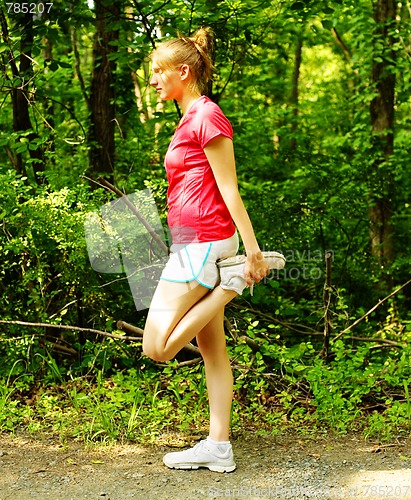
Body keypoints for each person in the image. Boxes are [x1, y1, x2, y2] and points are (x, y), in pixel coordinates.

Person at [143, 27, 285, 473]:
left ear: (183, 72)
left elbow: (229, 189)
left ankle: (233, 282)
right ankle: (219, 447)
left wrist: (253, 250)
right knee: (213, 350)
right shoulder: (189, 118)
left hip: (203, 244)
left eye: (158, 72)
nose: (153, 81)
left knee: (157, 348)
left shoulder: (206, 116)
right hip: (194, 243)